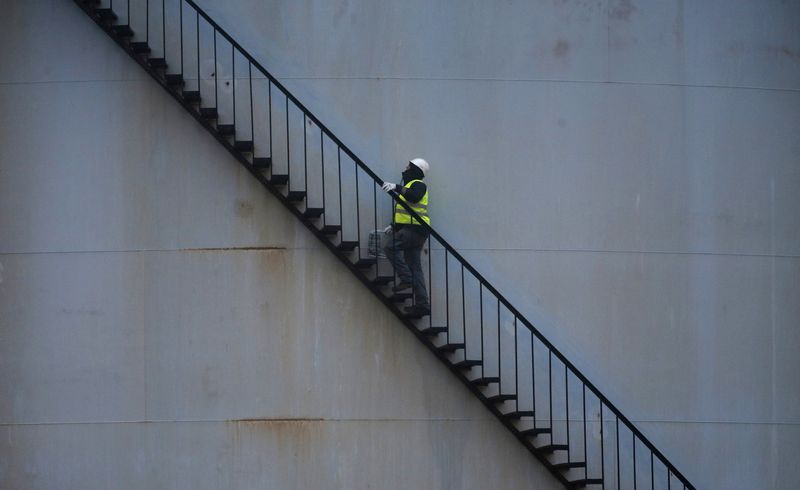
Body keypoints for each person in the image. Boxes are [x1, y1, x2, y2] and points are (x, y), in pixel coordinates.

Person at [380, 158, 431, 317]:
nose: (405, 168)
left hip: (415, 229)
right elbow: (407, 212)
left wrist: (396, 187)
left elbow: (414, 197)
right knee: (415, 267)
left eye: (409, 166)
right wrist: (394, 226)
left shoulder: (418, 184)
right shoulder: (410, 185)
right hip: (414, 229)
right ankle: (422, 304)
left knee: (389, 247)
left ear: (416, 170)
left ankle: (406, 278)